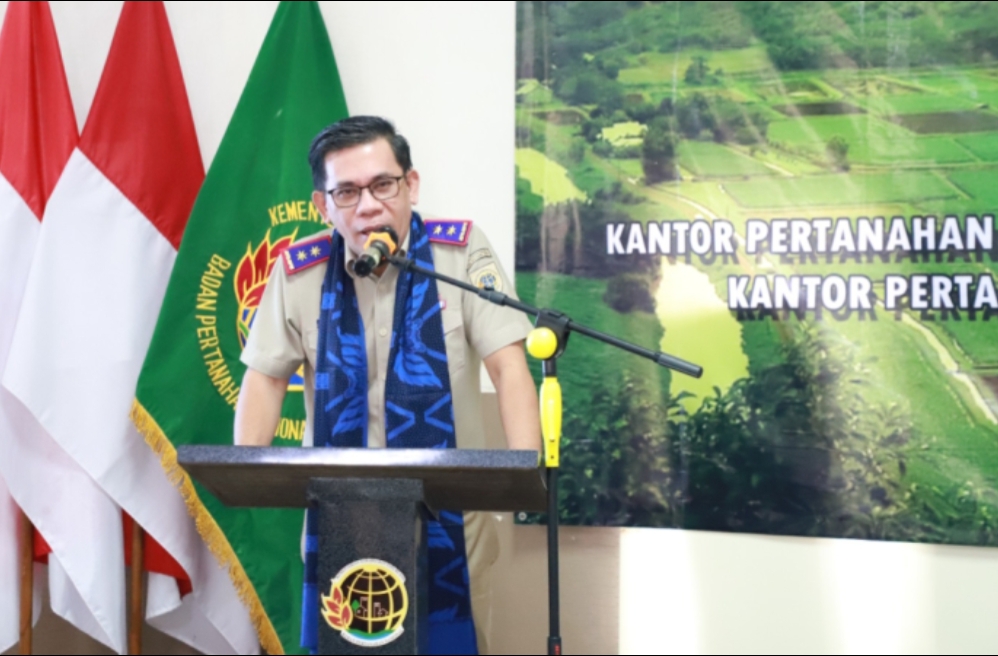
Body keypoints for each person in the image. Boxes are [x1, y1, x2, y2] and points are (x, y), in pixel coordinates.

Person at [234, 115, 541, 654]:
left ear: (411, 185)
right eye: (347, 192)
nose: (369, 206)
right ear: (322, 206)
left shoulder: (458, 254)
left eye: (383, 185)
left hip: (451, 528)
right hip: (340, 528)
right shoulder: (299, 272)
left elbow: (508, 366)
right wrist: (246, 476)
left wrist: (523, 475)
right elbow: (265, 380)